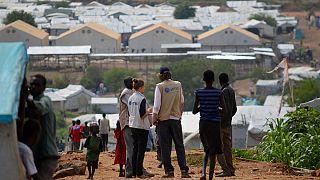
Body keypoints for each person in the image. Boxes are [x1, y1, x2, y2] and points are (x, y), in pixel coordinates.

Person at [152, 67, 191, 178]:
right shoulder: (178, 85)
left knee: (165, 147)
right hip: (176, 119)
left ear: (160, 75)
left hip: (163, 121)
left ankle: (169, 171)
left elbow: (156, 106)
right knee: (179, 145)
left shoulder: (159, 87)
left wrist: (154, 120)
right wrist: (179, 115)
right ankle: (184, 170)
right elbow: (182, 102)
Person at [192, 70, 227, 180]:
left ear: (204, 80)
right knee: (213, 152)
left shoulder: (199, 92)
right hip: (215, 124)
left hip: (203, 124)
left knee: (206, 149)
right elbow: (224, 110)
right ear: (213, 80)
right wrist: (216, 108)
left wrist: (202, 107)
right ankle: (210, 177)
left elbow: (194, 111)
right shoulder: (218, 92)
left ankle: (203, 174)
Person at [27, 74, 59, 180]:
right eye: (31, 84)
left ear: (43, 88)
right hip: (37, 155)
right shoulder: (32, 104)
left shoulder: (45, 100)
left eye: (37, 85)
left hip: (46, 155)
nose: (33, 87)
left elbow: (39, 108)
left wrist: (26, 98)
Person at [128, 79, 153, 178]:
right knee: (141, 151)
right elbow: (143, 115)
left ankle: (134, 172)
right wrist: (149, 111)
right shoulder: (142, 98)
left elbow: (130, 112)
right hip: (142, 127)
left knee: (135, 149)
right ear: (141, 87)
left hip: (133, 125)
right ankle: (139, 172)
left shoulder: (131, 97)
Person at [216, 73, 237, 177]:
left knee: (219, 148)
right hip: (228, 124)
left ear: (220, 81)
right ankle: (230, 169)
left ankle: (226, 170)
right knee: (227, 148)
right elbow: (234, 109)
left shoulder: (223, 92)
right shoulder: (232, 90)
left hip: (221, 124)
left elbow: (222, 109)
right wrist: (229, 118)